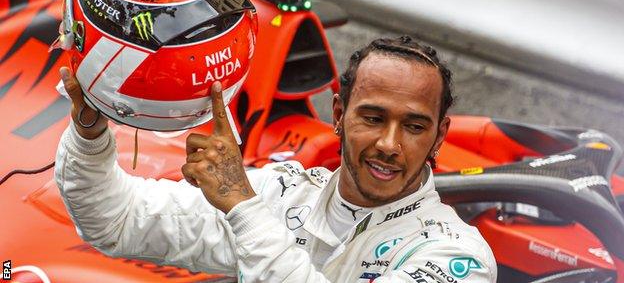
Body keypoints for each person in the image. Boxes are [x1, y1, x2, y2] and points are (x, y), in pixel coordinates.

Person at [56, 34, 497, 282]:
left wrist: (243, 208)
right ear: (339, 114)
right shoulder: (280, 196)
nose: (389, 143)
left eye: (415, 127)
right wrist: (91, 130)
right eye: (373, 118)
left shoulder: (458, 256)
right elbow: (115, 221)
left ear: (440, 135)